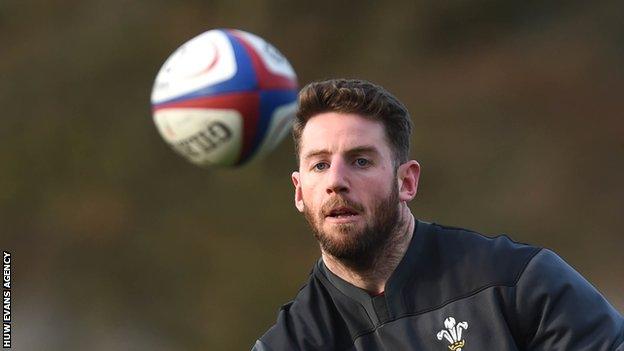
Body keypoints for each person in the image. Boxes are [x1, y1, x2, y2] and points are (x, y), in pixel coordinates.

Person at [252, 79, 624, 351]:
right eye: (319, 165)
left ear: (406, 182)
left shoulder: (518, 283)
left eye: (360, 161)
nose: (336, 181)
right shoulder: (292, 343)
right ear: (299, 192)